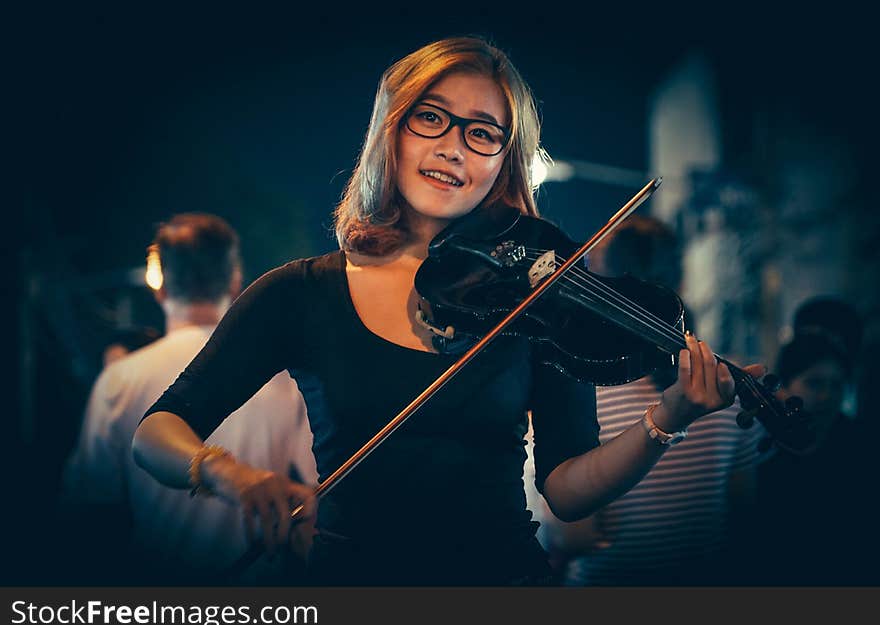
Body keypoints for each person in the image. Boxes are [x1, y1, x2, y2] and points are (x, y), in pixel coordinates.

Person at [132, 36, 763, 586]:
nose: (455, 147)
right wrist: (229, 476)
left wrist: (667, 418)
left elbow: (567, 491)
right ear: (391, 132)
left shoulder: (537, 297)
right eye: (430, 118)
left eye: (483, 132)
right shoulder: (300, 292)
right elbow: (156, 433)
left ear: (503, 161)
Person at [62, 212, 317, 584]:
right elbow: (315, 488)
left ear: (159, 284)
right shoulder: (284, 378)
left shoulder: (119, 379)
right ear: (235, 281)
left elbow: (89, 501)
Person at [534, 215, 765, 585]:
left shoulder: (584, 385)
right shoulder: (727, 383)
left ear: (605, 288)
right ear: (682, 280)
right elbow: (744, 521)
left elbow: (574, 536)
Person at [749, 331, 877, 584]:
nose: (827, 397)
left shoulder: (863, 444)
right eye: (814, 383)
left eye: (837, 385)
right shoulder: (760, 446)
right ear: (782, 386)